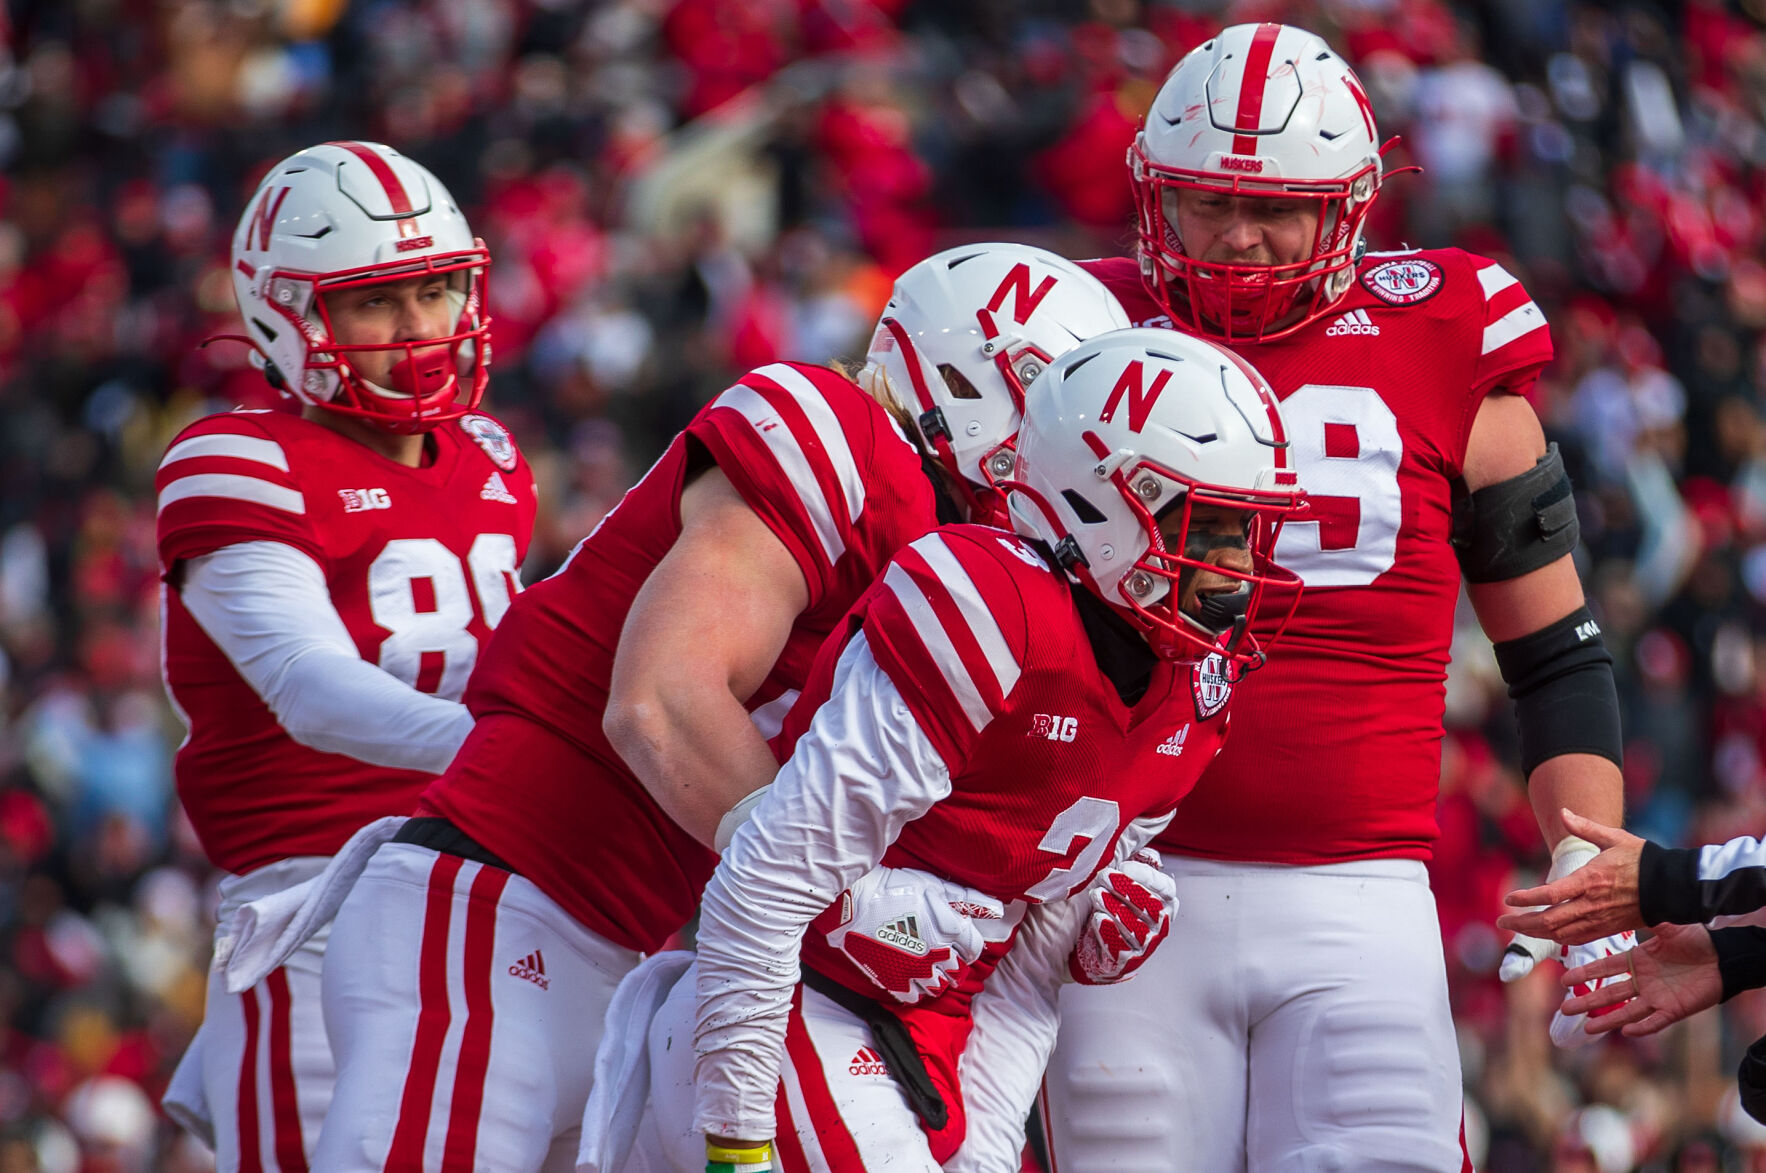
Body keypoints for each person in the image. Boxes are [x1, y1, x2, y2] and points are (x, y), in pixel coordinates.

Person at [296, 244, 1134, 1172]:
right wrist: (848, 902)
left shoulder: (964, 558)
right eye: (1056, 412)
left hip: (637, 961)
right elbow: (662, 700)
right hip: (508, 901)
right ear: (974, 378)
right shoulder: (838, 433)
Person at [1038, 23, 1631, 1172]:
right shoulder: (1070, 330)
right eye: (1206, 203)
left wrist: (1584, 853)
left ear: (1351, 207)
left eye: (1278, 208)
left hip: (1359, 892)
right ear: (1154, 197)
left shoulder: (1443, 335)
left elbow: (1556, 654)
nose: (1241, 238)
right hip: (1119, 890)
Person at [619, 326, 1306, 1173]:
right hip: (794, 1012)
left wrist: (979, 1153)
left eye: (1249, 532)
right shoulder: (992, 613)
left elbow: (1022, 978)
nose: (1237, 569)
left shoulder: (1192, 696)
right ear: (1106, 505)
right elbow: (761, 886)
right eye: (1212, 530)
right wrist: (737, 1147)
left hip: (931, 1049)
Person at [156, 141, 535, 1173]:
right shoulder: (235, 457)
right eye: (377, 303)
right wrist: (517, 747)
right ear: (285, 312)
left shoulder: (494, 458)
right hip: (319, 899)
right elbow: (307, 689)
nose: (419, 332)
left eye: (438, 290)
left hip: (496, 895)